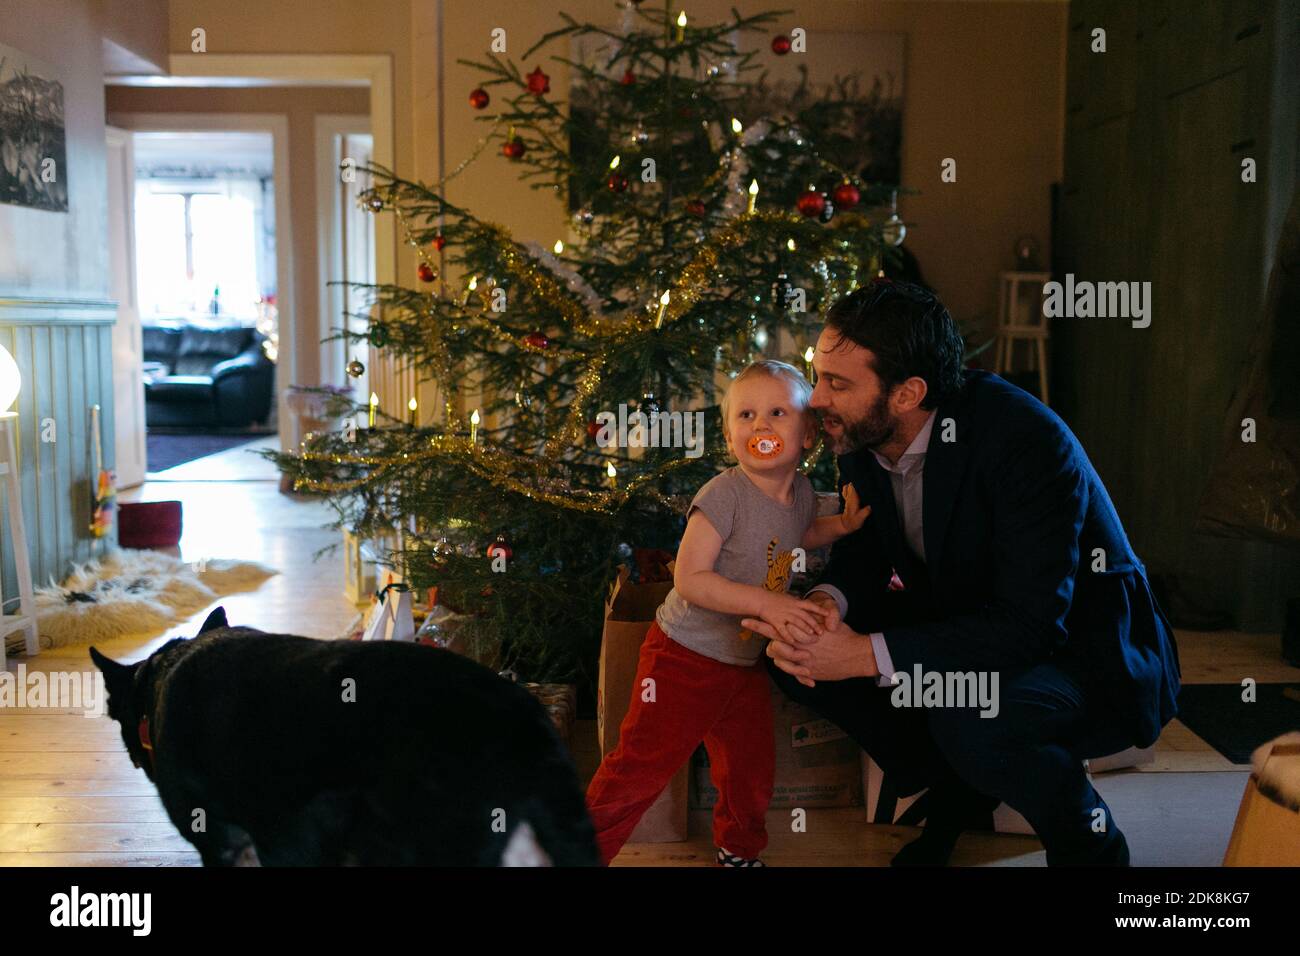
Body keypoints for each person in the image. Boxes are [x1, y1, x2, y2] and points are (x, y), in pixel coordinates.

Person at [742, 279, 1182, 866]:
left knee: (972, 714)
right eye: (818, 375)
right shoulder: (860, 426)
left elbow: (1030, 624)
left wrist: (863, 654)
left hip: (1081, 646)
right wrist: (826, 605)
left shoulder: (1024, 440)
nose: (815, 400)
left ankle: (1091, 843)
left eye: (836, 383)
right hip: (969, 612)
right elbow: (869, 548)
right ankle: (954, 783)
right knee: (795, 649)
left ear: (908, 393)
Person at [585, 360, 869, 866]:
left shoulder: (802, 495)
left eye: (777, 412)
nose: (759, 425)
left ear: (807, 434)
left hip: (740, 664)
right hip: (683, 658)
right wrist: (767, 602)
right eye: (745, 415)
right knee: (642, 766)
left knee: (750, 768)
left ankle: (738, 851)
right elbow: (689, 578)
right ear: (729, 434)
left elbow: (800, 533)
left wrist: (841, 526)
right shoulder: (724, 495)